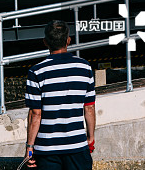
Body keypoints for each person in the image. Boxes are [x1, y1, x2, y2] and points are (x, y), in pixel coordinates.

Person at [24, 20, 95, 169]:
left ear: (45, 42)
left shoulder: (36, 71)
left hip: (46, 149)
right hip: (77, 146)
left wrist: (29, 148)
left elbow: (35, 114)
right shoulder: (84, 67)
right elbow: (89, 108)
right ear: (68, 40)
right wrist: (90, 137)